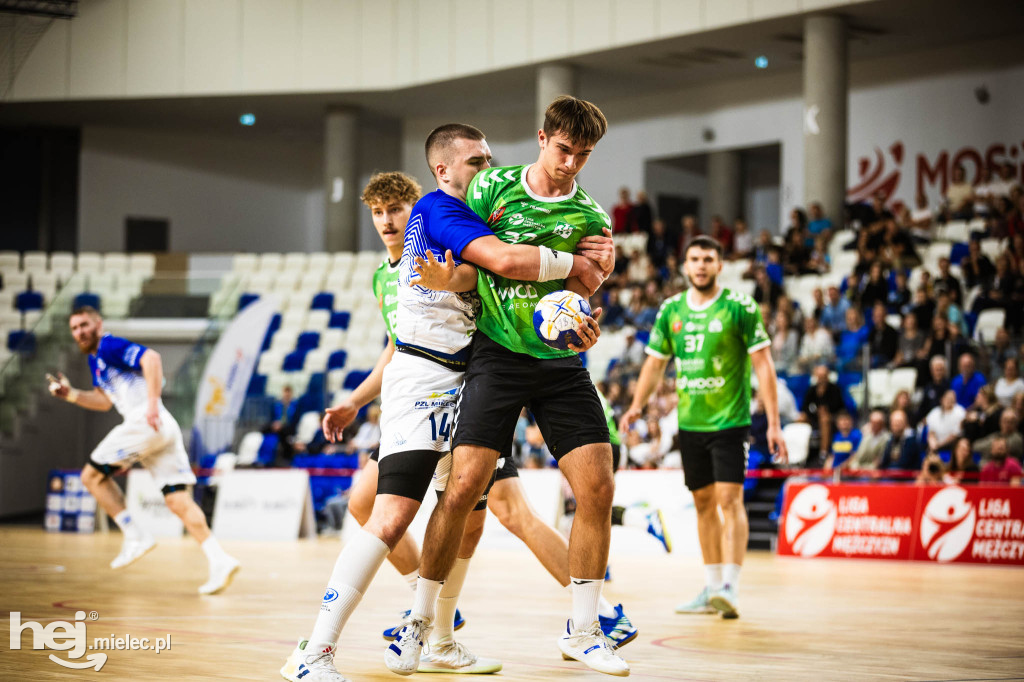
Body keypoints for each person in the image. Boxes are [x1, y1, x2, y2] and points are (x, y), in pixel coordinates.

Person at [283, 126, 610, 681]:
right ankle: (312, 652)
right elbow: (503, 261)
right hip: (424, 378)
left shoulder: (479, 212)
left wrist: (594, 264)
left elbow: (475, 272)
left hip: (470, 375)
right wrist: (574, 263)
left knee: (473, 517)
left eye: (489, 159)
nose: (488, 168)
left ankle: (439, 638)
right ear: (443, 170)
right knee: (389, 516)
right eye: (476, 161)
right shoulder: (439, 209)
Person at [386, 100, 630, 677]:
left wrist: (584, 315)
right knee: (465, 487)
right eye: (563, 149)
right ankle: (418, 624)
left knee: (597, 485)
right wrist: (447, 276)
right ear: (543, 138)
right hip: (495, 354)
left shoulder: (592, 215)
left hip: (558, 361)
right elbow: (468, 253)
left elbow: (588, 282)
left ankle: (585, 630)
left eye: (584, 154)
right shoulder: (491, 187)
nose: (571, 163)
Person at [622, 235, 788, 621]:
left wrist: (775, 424)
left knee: (730, 501)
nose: (700, 265)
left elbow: (764, 366)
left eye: (708, 259)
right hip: (690, 424)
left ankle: (731, 584)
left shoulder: (739, 307)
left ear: (720, 265)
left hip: (730, 422)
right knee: (703, 505)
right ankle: (712, 586)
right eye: (694, 258)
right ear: (684, 266)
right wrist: (636, 405)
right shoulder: (670, 310)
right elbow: (654, 363)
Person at [48, 307, 239, 594]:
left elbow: (152, 358)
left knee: (90, 477)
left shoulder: (109, 345)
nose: (80, 332)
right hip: (160, 426)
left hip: (146, 420)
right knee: (177, 500)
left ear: (98, 323)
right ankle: (219, 559)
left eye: (84, 325)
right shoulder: (95, 361)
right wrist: (71, 394)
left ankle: (134, 535)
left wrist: (151, 404)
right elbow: (102, 402)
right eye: (74, 328)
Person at [800, 364, 846, 463]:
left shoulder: (835, 389)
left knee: (824, 419)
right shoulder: (812, 389)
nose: (821, 379)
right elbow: (805, 407)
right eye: (819, 376)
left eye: (823, 376)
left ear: (827, 376)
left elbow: (840, 407)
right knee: (800, 418)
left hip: (832, 417)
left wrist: (826, 411)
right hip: (814, 417)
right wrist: (814, 412)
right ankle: (799, 454)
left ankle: (823, 453)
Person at [925, 390, 966, 457]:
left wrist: (938, 445)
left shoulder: (960, 412)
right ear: (942, 399)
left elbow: (955, 435)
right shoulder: (934, 412)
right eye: (947, 398)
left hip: (950, 445)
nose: (949, 401)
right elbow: (931, 433)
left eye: (951, 399)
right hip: (935, 445)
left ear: (955, 401)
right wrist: (933, 444)